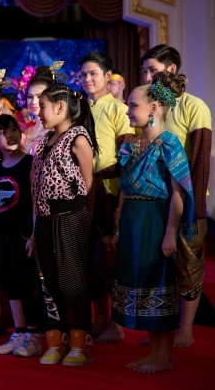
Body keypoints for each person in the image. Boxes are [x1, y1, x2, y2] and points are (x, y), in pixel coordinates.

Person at [111, 72, 196, 373]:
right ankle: (154, 353)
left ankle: (165, 356)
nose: (127, 110)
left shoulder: (168, 143)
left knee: (157, 284)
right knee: (140, 286)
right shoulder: (130, 145)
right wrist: (120, 228)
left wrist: (170, 233)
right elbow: (122, 191)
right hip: (133, 222)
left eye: (133, 105)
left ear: (154, 107)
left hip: (156, 221)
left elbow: (178, 194)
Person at [141, 45, 211, 348]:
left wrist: (194, 210)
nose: (147, 76)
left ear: (171, 70)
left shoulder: (194, 106)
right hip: (155, 203)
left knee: (188, 268)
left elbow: (199, 161)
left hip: (187, 203)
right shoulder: (153, 106)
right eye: (144, 71)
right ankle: (160, 331)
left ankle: (186, 330)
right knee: (158, 270)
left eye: (152, 70)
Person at [29, 83, 98, 367]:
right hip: (44, 221)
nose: (39, 112)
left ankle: (82, 340)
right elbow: (35, 188)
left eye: (42, 106)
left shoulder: (78, 139)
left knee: (73, 283)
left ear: (59, 107)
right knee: (48, 283)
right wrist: (34, 230)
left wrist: (87, 222)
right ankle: (56, 339)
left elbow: (89, 185)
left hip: (71, 218)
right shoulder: (44, 140)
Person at [79, 51, 135, 342]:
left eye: (93, 74)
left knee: (110, 259)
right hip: (82, 192)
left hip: (109, 192)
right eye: (84, 74)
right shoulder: (79, 108)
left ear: (106, 76)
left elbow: (126, 156)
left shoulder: (118, 109)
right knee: (88, 259)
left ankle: (118, 323)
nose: (88, 79)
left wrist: (120, 203)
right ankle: (99, 317)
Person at [0, 115, 41, 358]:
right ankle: (19, 333)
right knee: (9, 284)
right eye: (2, 132)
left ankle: (35, 335)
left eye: (12, 129)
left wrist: (33, 235)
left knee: (25, 283)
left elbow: (37, 202)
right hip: (1, 234)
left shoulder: (30, 162)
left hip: (22, 234)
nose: (9, 135)